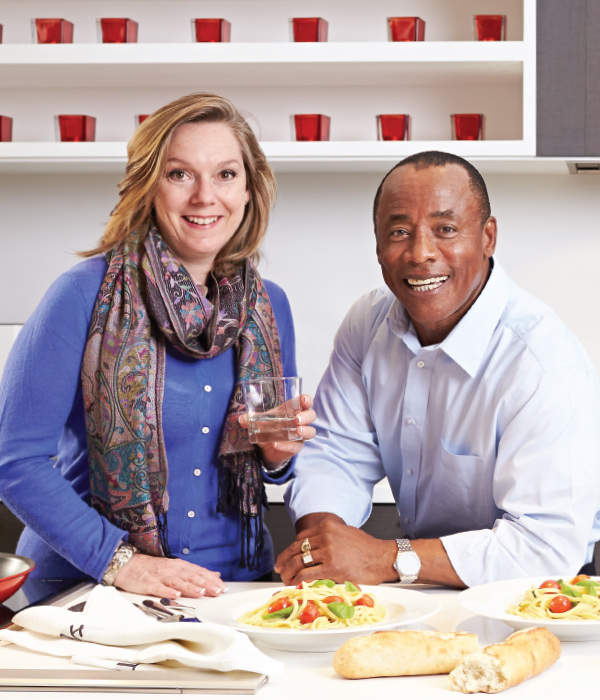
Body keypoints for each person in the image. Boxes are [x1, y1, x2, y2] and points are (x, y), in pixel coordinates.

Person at [0, 92, 316, 600]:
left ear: (251, 189)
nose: (205, 197)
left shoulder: (268, 306)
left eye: (226, 175)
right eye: (179, 174)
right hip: (89, 586)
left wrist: (278, 455)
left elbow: (276, 463)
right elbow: (14, 461)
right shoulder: (82, 293)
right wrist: (121, 563)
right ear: (147, 185)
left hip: (232, 589)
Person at [276, 150, 600, 589]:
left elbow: (545, 548)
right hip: (421, 582)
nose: (420, 253)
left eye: (445, 230)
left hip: (538, 596)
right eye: (398, 232)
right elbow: (335, 457)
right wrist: (323, 552)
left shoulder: (542, 360)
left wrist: (383, 557)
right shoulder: (367, 324)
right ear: (376, 244)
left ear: (488, 237)